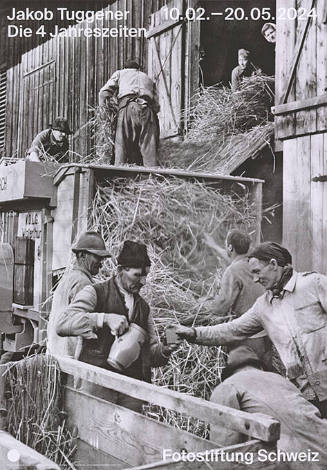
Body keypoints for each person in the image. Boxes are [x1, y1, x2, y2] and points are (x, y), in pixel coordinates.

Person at [174, 242, 327, 418]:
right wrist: (193, 333)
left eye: (256, 272)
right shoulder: (263, 306)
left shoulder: (313, 285)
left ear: (273, 264)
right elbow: (231, 329)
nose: (255, 279)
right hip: (306, 396)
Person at [55, 240, 174, 412]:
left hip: (130, 392)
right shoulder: (96, 293)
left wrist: (165, 349)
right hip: (96, 386)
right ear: (120, 271)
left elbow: (149, 354)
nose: (143, 281)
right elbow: (63, 323)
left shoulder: (144, 308)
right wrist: (103, 318)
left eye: (146, 275)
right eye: (137, 275)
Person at [210, 345, 327, 469]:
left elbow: (224, 445)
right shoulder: (282, 380)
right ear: (260, 367)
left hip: (290, 460)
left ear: (229, 372)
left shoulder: (228, 385)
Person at [202, 230, 271, 368]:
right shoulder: (255, 265)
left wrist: (201, 308)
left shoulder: (232, 271)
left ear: (230, 247)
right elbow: (233, 259)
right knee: (266, 379)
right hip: (266, 336)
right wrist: (214, 246)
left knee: (246, 379)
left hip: (247, 340)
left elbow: (221, 307)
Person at [47, 231, 111, 359]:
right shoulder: (83, 282)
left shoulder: (69, 277)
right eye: (98, 257)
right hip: (69, 357)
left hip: (56, 352)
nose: (101, 262)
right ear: (82, 255)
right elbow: (82, 322)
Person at [99, 59, 160, 167]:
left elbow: (103, 93)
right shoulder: (148, 78)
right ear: (138, 69)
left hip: (127, 107)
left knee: (121, 143)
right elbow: (157, 106)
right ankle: (153, 177)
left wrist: (103, 112)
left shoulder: (120, 73)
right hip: (147, 109)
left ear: (125, 68)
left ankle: (118, 174)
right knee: (149, 146)